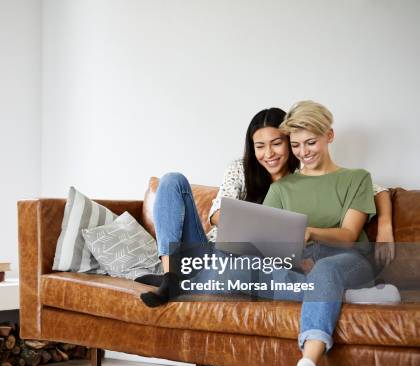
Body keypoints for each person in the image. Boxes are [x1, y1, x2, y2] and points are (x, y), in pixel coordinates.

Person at [137, 107, 396, 306]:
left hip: (248, 265)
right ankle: (171, 276)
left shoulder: (305, 175)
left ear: (290, 141)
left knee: (249, 266)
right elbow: (215, 215)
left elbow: (376, 187)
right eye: (260, 146)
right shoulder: (240, 169)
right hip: (209, 252)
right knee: (172, 181)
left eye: (277, 143)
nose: (268, 154)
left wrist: (384, 224)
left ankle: (190, 283)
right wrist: (254, 227)